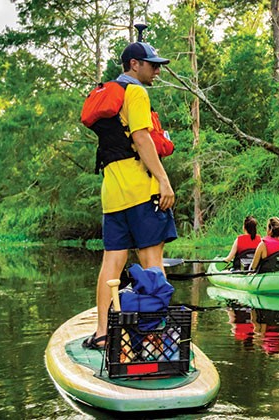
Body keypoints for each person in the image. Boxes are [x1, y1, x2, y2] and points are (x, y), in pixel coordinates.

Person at [83, 39, 176, 350]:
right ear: (134, 65)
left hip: (112, 194)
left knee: (111, 264)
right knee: (153, 261)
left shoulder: (110, 97)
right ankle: (156, 334)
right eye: (153, 65)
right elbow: (140, 138)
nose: (157, 71)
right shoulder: (135, 92)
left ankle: (101, 332)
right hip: (142, 192)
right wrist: (163, 180)